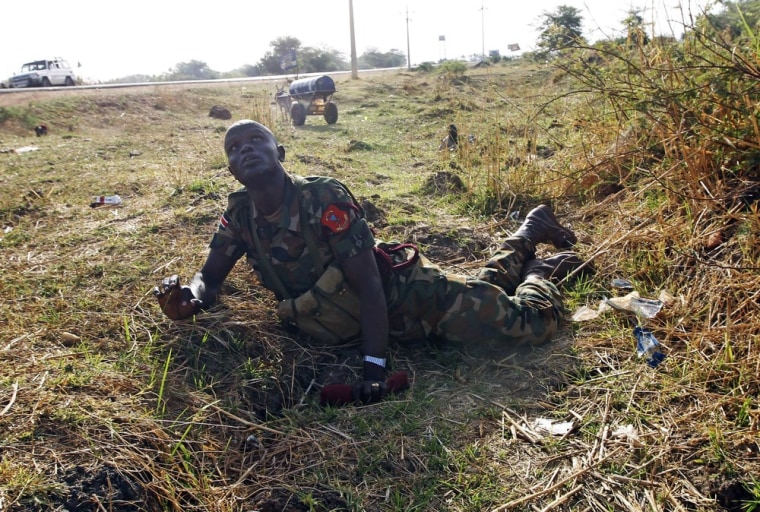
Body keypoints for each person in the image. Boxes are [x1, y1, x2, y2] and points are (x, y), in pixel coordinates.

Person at [154, 120, 590, 404]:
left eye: (256, 140)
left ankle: (538, 270)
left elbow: (370, 287)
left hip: (411, 299)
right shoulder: (240, 217)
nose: (245, 149)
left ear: (280, 152)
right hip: (359, 320)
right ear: (230, 168)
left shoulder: (323, 199)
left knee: (533, 325)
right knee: (481, 287)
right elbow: (210, 277)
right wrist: (190, 300)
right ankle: (529, 232)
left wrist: (374, 367)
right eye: (234, 147)